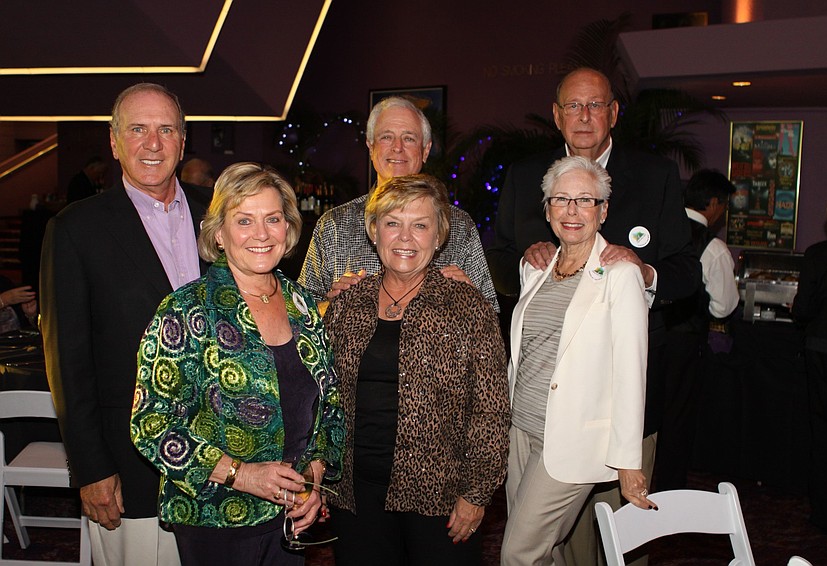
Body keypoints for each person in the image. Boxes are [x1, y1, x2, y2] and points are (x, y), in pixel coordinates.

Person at [486, 67, 698, 565]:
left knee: (621, 545)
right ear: (557, 115)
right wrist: (525, 260)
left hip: (616, 409)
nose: (584, 116)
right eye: (573, 106)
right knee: (559, 547)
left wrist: (644, 272)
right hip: (535, 414)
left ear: (613, 113)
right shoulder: (524, 175)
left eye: (595, 105)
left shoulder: (655, 175)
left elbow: (687, 275)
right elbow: (496, 257)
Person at [131, 162, 344, 565]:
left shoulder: (303, 306)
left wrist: (313, 478)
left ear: (289, 229)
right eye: (244, 220)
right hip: (214, 515)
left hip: (290, 516)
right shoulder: (187, 310)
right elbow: (151, 424)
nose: (261, 234)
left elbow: (329, 407)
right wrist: (243, 475)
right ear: (219, 234)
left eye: (273, 219)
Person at [40, 83, 212, 566]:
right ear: (114, 142)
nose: (152, 144)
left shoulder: (223, 213)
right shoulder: (75, 230)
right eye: (137, 129)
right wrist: (91, 468)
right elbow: (68, 362)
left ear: (183, 140)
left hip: (228, 462)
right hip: (131, 463)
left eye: (166, 130)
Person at [323, 174, 510, 566]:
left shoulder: (466, 306)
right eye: (393, 223)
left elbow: (491, 412)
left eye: (420, 225)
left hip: (440, 498)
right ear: (375, 232)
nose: (405, 237)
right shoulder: (347, 303)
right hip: (356, 495)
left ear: (439, 236)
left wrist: (476, 495)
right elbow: (323, 398)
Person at [500, 156, 654, 566]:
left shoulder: (620, 275)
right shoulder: (536, 270)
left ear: (603, 212)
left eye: (585, 200)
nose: (571, 211)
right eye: (561, 199)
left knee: (519, 553)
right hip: (521, 431)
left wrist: (627, 462)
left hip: (572, 440)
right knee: (544, 550)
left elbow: (630, 371)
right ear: (547, 208)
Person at [298, 96, 498, 312]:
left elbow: (490, 314)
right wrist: (332, 304)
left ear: (426, 150)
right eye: (386, 137)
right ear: (371, 146)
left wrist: (470, 298)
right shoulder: (334, 225)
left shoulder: (459, 225)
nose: (397, 148)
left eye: (409, 138)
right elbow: (301, 314)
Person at [654, 169, 739, 491]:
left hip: (649, 335)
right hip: (685, 342)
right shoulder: (713, 248)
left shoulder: (661, 232)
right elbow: (723, 307)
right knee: (677, 418)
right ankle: (670, 490)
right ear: (715, 204)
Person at [792, 189, 827, 536]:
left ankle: (826, 513)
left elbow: (803, 311)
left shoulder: (819, 254)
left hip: (825, 351)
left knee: (825, 433)